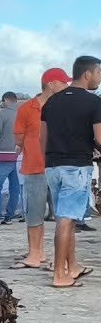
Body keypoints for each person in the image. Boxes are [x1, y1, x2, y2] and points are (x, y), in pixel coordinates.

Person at [39, 55, 100, 288]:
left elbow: (42, 139)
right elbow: (99, 138)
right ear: (88, 74)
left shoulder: (52, 102)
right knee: (65, 220)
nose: (99, 79)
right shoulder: (94, 102)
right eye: (99, 74)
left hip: (53, 166)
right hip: (76, 167)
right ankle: (59, 275)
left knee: (69, 218)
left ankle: (72, 266)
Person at [14, 69, 69, 270]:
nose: (67, 86)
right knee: (34, 213)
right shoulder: (27, 108)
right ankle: (36, 254)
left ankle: (56, 255)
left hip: (60, 168)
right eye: (64, 82)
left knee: (63, 215)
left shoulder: (65, 107)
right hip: (34, 168)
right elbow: (18, 137)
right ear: (51, 83)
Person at [0, 92, 21, 226]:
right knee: (15, 187)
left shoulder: (3, 114)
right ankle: (9, 217)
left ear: (6, 100)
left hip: (3, 154)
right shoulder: (23, 113)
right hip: (19, 155)